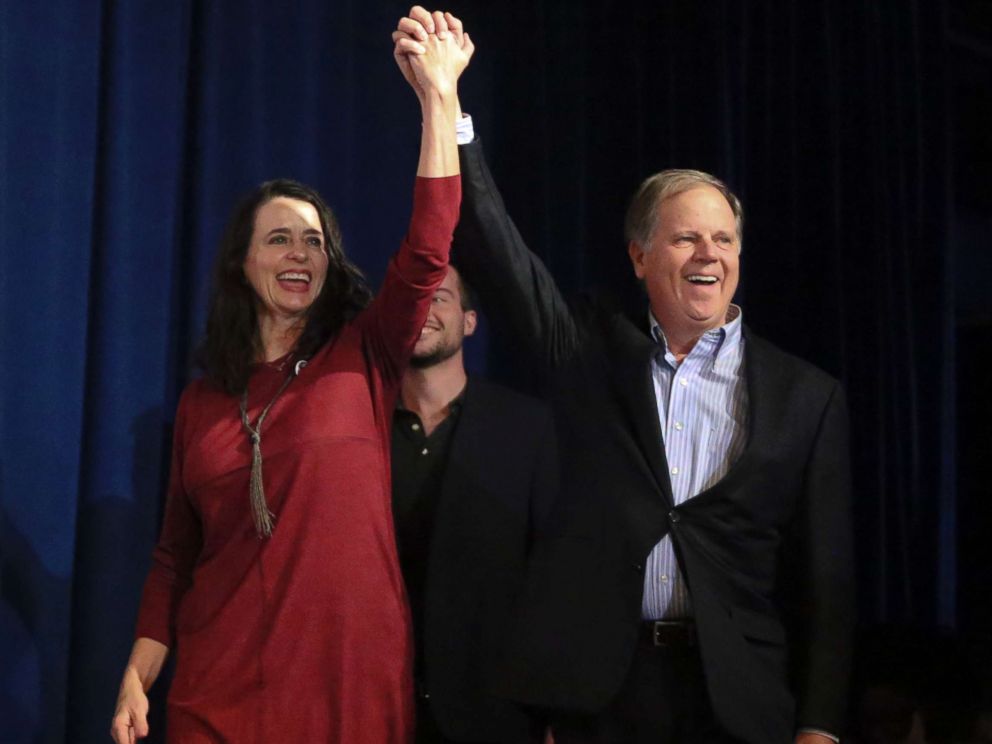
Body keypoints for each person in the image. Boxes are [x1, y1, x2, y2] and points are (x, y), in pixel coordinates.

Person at [394, 8, 854, 744]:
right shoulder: (588, 349)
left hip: (737, 701)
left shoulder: (807, 396)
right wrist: (444, 102)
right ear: (640, 258)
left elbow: (826, 580)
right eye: (684, 237)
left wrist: (822, 726)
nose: (709, 253)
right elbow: (493, 244)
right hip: (601, 698)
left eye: (723, 237)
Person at [110, 20, 471, 743]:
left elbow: (430, 246)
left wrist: (438, 98)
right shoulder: (202, 403)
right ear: (242, 264)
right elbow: (175, 558)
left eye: (315, 241)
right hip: (217, 693)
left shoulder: (363, 356)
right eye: (279, 239)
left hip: (345, 689)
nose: (300, 253)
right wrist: (137, 675)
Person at [391, 264, 557, 743]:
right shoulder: (359, 430)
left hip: (492, 717)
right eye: (411, 296)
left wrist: (553, 716)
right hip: (375, 712)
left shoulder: (526, 428)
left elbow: (553, 578)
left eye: (438, 296)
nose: (423, 308)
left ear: (469, 321)